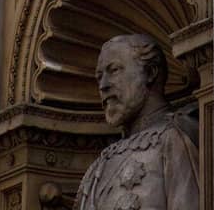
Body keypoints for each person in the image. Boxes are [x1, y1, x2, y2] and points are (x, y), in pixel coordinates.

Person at [74, 34, 199, 210]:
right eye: (99, 77)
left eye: (114, 70)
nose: (103, 85)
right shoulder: (99, 166)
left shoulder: (175, 137)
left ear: (150, 72)